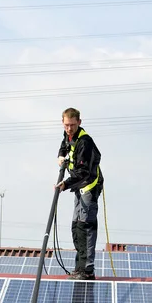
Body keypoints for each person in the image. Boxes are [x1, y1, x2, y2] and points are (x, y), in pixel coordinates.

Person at [56, 107, 103, 280]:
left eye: (72, 125)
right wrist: (60, 156)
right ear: (63, 123)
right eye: (66, 125)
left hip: (89, 186)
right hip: (78, 186)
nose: (69, 129)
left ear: (79, 123)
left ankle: (87, 270)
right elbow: (64, 147)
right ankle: (79, 267)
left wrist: (65, 184)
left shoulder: (85, 142)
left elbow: (83, 171)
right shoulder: (68, 136)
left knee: (85, 227)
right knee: (76, 226)